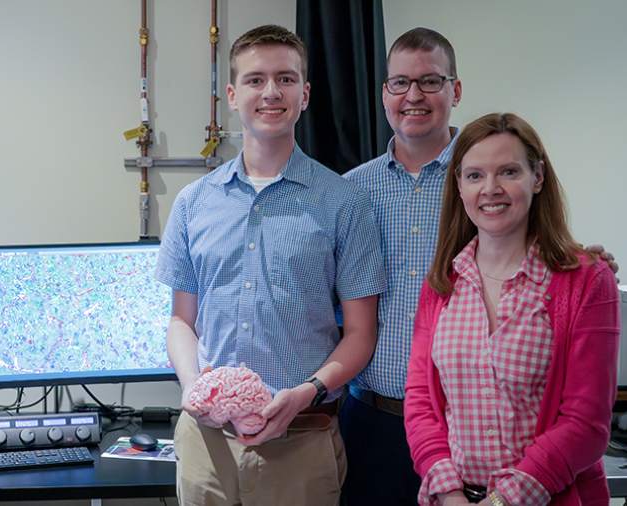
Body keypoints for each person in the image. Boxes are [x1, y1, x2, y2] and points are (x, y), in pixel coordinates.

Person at [156, 25, 385, 506]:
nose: (272, 92)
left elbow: (361, 333)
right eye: (257, 80)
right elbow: (182, 320)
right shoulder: (194, 202)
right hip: (206, 444)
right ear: (234, 95)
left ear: (305, 95)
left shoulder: (343, 202)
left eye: (286, 78)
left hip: (302, 440)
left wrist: (306, 392)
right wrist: (194, 388)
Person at [404, 112, 620, 505]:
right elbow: (420, 402)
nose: (491, 189)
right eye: (474, 175)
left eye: (508, 171)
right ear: (459, 185)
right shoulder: (441, 285)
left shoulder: (588, 280)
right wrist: (449, 493)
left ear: (536, 177)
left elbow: (586, 424)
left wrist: (502, 501)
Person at [341, 27, 462, 505]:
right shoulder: (351, 190)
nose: (414, 96)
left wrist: (580, 260)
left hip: (465, 425)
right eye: (400, 83)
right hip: (372, 424)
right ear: (384, 92)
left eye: (430, 81)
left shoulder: (483, 181)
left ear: (456, 90)